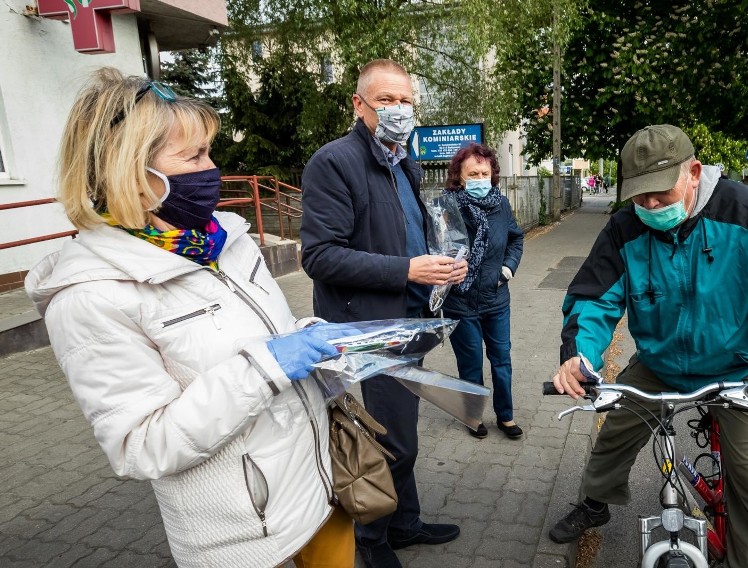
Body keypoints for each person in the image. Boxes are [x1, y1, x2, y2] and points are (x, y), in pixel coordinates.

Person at [24, 68, 356, 568]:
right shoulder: (90, 296)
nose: (213, 169)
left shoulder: (227, 239)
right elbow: (141, 445)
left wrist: (308, 340)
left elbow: (265, 340)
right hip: (245, 536)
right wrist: (266, 367)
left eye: (209, 152)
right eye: (194, 156)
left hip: (318, 489)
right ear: (130, 171)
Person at [548, 124, 748, 568]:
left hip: (745, 368)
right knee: (614, 431)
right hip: (662, 363)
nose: (651, 206)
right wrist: (579, 356)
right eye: (640, 197)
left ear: (693, 172)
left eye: (661, 193)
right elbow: (593, 300)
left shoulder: (747, 212)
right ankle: (594, 502)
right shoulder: (624, 229)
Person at [300, 59, 468, 568]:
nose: (398, 110)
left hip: (411, 316)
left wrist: (442, 264)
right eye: (386, 101)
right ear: (359, 104)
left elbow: (403, 231)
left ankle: (404, 522)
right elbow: (319, 256)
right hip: (370, 323)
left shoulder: (403, 160)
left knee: (402, 426)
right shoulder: (334, 162)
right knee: (393, 439)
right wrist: (408, 270)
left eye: (405, 100)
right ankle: (371, 544)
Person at [441, 143, 524, 440]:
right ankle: (473, 416)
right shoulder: (446, 206)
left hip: (496, 299)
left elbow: (516, 238)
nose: (479, 178)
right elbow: (436, 246)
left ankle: (506, 416)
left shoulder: (501, 205)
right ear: (459, 176)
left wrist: (507, 269)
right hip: (460, 302)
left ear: (492, 175)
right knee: (471, 361)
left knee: (502, 359)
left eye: (484, 173)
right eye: (472, 173)